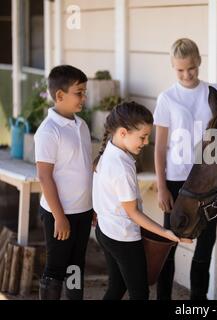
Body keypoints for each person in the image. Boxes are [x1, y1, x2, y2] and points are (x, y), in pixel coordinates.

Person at [154, 38, 217, 300]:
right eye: (180, 70)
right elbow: (159, 146)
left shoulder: (215, 93)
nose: (186, 74)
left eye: (191, 68)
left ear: (198, 62)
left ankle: (198, 302)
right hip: (177, 182)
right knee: (170, 243)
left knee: (205, 245)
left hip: (208, 182)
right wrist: (162, 186)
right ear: (172, 68)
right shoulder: (167, 98)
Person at [93, 102, 191, 300]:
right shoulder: (120, 166)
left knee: (117, 287)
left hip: (105, 231)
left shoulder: (111, 152)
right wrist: (166, 233)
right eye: (143, 137)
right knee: (140, 293)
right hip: (123, 238)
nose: (146, 142)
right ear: (123, 133)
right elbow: (133, 213)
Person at [35, 65, 93, 300]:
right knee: (56, 268)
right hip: (59, 213)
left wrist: (93, 205)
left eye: (84, 92)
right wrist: (59, 217)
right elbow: (44, 176)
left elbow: (85, 168)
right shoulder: (48, 131)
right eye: (79, 92)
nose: (84, 97)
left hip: (83, 210)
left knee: (76, 266)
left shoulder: (82, 125)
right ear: (60, 96)